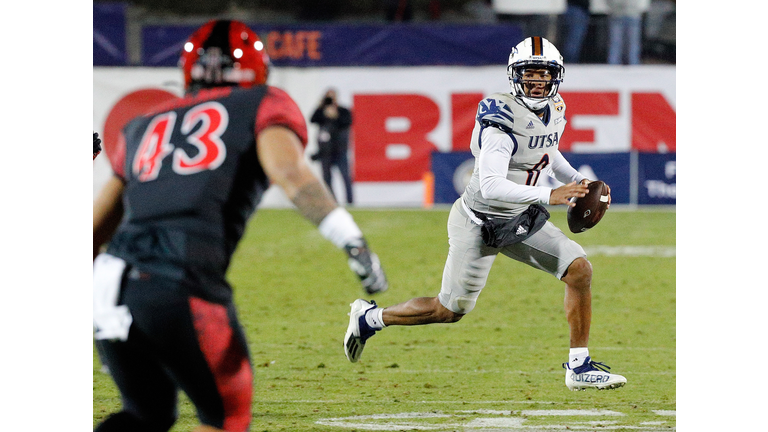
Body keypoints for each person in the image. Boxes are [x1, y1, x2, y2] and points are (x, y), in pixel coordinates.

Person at [92, 19, 387, 432]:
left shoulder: (144, 123)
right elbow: (292, 175)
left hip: (109, 286)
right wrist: (350, 238)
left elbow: (95, 230)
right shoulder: (262, 102)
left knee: (146, 415)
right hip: (179, 278)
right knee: (226, 419)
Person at [344, 36, 627, 392]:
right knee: (449, 310)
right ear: (515, 75)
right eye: (530, 73)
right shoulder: (500, 120)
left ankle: (579, 366)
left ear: (556, 76)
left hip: (520, 219)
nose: (537, 81)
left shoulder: (555, 107)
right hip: (480, 222)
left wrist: (577, 180)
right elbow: (492, 185)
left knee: (579, 270)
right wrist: (550, 194)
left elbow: (547, 152)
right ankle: (371, 318)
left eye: (544, 74)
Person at [310, 89, 354, 204]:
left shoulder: (343, 111)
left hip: (340, 150)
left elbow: (348, 121)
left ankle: (350, 202)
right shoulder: (321, 111)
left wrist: (335, 116)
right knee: (327, 179)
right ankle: (333, 202)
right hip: (325, 152)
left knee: (346, 177)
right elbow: (312, 119)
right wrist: (321, 109)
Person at [606, 0, 650, 65]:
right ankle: (614, 65)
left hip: (630, 14)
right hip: (619, 14)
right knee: (617, 44)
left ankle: (632, 65)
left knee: (630, 44)